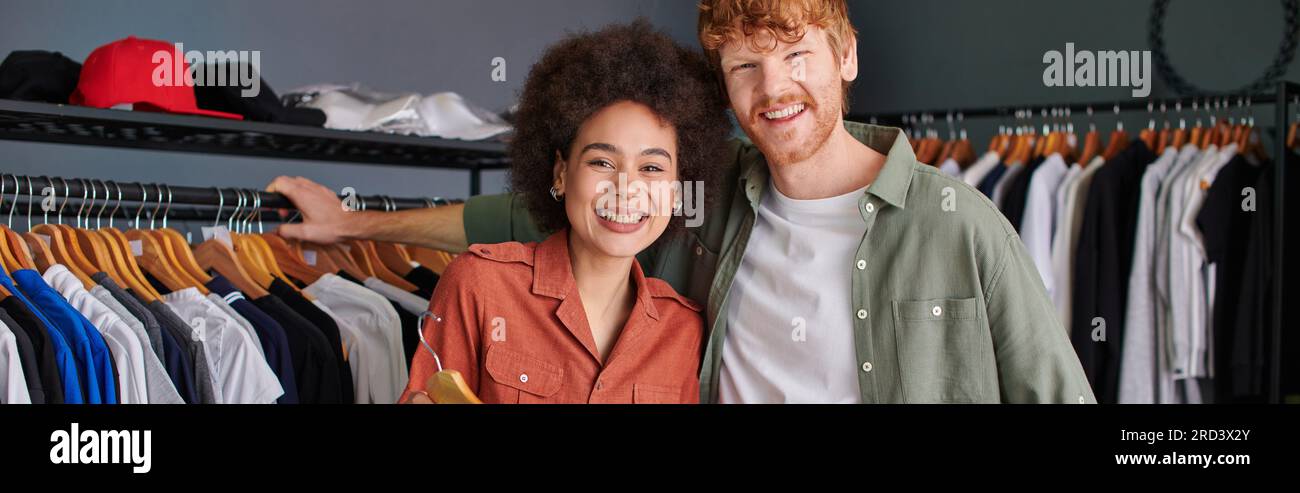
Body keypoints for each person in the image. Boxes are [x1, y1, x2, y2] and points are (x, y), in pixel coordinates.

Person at [270, 0, 1096, 404]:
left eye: (796, 55)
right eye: (744, 67)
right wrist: (353, 226)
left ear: (844, 54)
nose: (774, 90)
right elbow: (531, 220)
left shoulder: (964, 228)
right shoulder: (708, 206)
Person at [381, 21, 726, 403]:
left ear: (678, 189)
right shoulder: (479, 285)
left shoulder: (682, 329)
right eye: (602, 162)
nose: (627, 189)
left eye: (652, 168)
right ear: (561, 173)